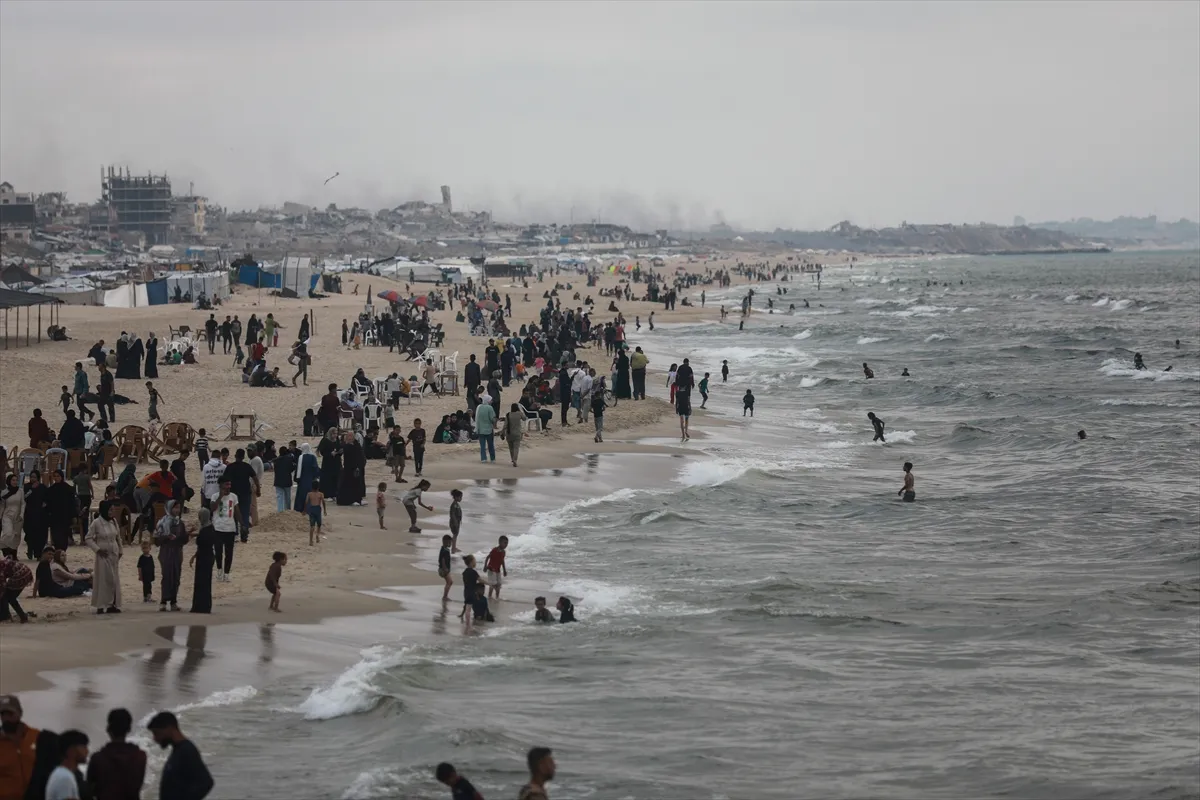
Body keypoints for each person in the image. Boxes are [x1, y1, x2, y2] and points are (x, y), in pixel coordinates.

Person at [146, 712, 213, 800]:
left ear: (170, 728)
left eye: (157, 733)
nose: (155, 738)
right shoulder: (178, 750)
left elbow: (206, 782)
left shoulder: (187, 750)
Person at [86, 708, 146, 800]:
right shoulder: (140, 757)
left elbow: (90, 790)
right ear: (129, 729)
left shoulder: (97, 758)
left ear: (108, 729)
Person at [85, 502, 122, 614]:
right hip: (103, 555)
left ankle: (112, 604)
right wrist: (98, 549)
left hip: (114, 554)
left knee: (113, 579)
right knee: (103, 579)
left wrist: (120, 550)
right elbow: (88, 538)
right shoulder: (97, 523)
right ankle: (101, 605)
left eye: (113, 510)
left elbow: (118, 537)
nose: (112, 512)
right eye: (110, 510)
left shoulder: (114, 522)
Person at [155, 502, 188, 612]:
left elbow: (184, 539)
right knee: (167, 576)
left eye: (179, 508)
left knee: (176, 576)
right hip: (166, 552)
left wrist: (187, 535)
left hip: (177, 552)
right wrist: (167, 537)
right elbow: (156, 540)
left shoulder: (180, 523)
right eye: (175, 508)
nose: (177, 510)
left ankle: (173, 601)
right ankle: (163, 601)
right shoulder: (162, 522)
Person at [44, 728, 88, 800]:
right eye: (83, 747)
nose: (87, 751)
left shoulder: (61, 773)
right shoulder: (65, 777)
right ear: (71, 750)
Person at [189, 509, 218, 614]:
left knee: (202, 583)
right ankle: (201, 606)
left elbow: (203, 543)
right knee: (203, 582)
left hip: (205, 558)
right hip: (205, 557)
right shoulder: (208, 528)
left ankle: (201, 607)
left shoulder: (207, 530)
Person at [212, 481, 239, 581]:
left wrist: (242, 524)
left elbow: (237, 511)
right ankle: (219, 570)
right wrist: (220, 496)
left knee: (229, 553)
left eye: (229, 484)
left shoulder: (234, 496)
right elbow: (212, 508)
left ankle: (226, 573)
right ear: (221, 486)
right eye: (226, 484)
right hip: (218, 528)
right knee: (218, 552)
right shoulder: (214, 496)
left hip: (230, 529)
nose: (228, 487)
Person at [0, 556, 33, 623]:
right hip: (26, 571)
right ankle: (19, 616)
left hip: (20, 575)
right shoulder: (2, 563)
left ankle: (6, 616)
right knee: (10, 597)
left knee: (7, 597)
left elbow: (2, 584)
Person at [458, 554, 483, 628]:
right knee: (469, 609)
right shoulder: (474, 572)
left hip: (466, 592)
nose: (475, 562)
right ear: (471, 562)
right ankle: (468, 625)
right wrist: (489, 583)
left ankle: (463, 616)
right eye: (475, 561)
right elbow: (480, 580)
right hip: (472, 593)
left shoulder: (464, 572)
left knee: (467, 605)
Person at [484, 536, 507, 600]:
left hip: (498, 570)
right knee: (492, 584)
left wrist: (504, 570)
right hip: (491, 569)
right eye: (504, 543)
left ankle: (497, 597)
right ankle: (489, 596)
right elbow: (487, 557)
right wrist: (485, 566)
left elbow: (502, 561)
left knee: (499, 584)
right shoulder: (494, 550)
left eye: (506, 543)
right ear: (499, 542)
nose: (506, 545)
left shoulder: (503, 552)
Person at [475, 398, 497, 463]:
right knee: (490, 445)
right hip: (488, 430)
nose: (492, 401)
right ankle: (492, 459)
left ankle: (483, 459)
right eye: (491, 400)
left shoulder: (479, 407)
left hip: (480, 430)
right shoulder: (490, 408)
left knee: (482, 446)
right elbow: (492, 419)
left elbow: (477, 418)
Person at [438, 534, 454, 601]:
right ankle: (445, 597)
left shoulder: (443, 549)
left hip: (443, 569)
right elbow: (443, 560)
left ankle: (445, 596)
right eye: (450, 542)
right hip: (443, 569)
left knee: (449, 582)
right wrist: (445, 569)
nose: (450, 544)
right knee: (449, 582)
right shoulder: (445, 551)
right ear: (446, 542)